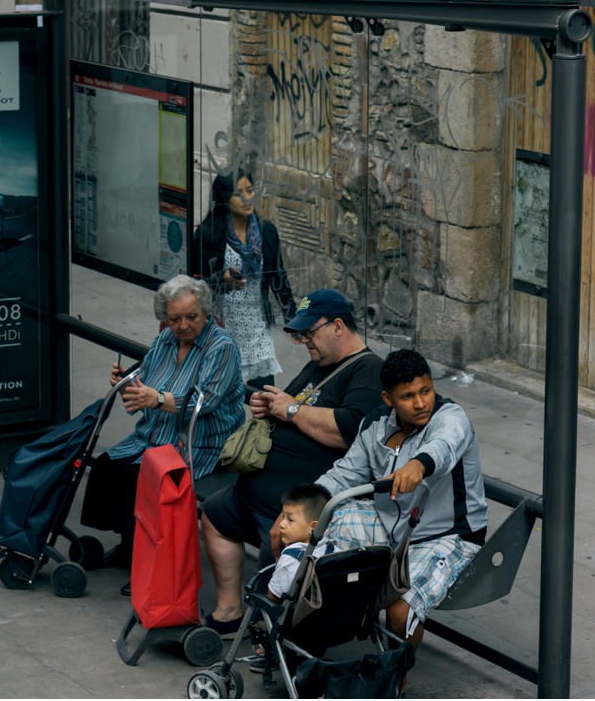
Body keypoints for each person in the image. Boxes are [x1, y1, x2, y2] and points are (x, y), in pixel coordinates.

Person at [199, 289, 384, 633]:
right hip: (256, 492)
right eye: (300, 334)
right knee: (213, 514)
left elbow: (350, 431)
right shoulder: (320, 363)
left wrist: (292, 410)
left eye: (309, 333)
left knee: (283, 547)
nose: (303, 342)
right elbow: (291, 406)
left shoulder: (369, 370)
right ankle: (231, 611)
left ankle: (270, 631)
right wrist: (270, 405)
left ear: (339, 326)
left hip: (300, 504)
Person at [314, 348, 487, 654]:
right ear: (388, 399)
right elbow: (344, 475)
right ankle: (307, 633)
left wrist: (418, 465)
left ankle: (397, 679)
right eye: (407, 396)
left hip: (447, 535)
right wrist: (301, 509)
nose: (421, 403)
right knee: (316, 533)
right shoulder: (375, 424)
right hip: (393, 528)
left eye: (426, 391)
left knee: (400, 613)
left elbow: (444, 446)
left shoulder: (451, 417)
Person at [80, 274, 245, 593]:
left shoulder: (221, 346)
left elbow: (203, 402)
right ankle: (130, 546)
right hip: (155, 436)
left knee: (144, 479)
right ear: (165, 317)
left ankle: (150, 560)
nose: (183, 326)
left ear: (206, 312)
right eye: (174, 319)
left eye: (191, 317)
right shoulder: (164, 341)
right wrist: (127, 381)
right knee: (107, 467)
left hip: (200, 442)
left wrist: (156, 398)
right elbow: (148, 380)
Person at [194, 169, 296, 400]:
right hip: (222, 329)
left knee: (264, 401)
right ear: (224, 199)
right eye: (239, 193)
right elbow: (195, 287)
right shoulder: (208, 234)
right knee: (222, 400)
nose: (247, 198)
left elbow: (279, 276)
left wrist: (295, 321)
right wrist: (223, 282)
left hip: (257, 330)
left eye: (250, 190)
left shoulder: (266, 231)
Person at [265, 483, 332, 603]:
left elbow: (274, 595)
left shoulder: (291, 558)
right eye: (283, 516)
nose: (281, 524)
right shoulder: (330, 547)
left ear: (313, 527)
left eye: (290, 519)